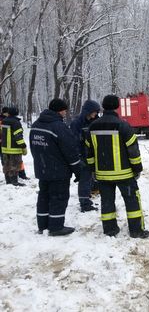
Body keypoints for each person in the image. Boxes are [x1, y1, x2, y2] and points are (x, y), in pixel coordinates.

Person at [85, 95, 149, 238]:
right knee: (132, 202)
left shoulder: (92, 127)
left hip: (102, 175)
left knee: (107, 202)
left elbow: (89, 152)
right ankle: (136, 231)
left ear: (103, 106)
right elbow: (133, 150)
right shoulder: (123, 125)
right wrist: (137, 168)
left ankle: (109, 229)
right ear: (117, 106)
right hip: (124, 174)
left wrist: (92, 170)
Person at [30, 98, 82, 236]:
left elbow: (33, 147)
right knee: (58, 198)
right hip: (58, 171)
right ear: (60, 110)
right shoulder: (59, 127)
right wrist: (78, 171)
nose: (65, 113)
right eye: (65, 110)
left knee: (44, 197)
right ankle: (56, 227)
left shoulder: (36, 125)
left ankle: (43, 225)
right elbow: (70, 151)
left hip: (42, 169)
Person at [70, 100, 101, 212]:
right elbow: (74, 141)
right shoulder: (77, 123)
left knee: (93, 177)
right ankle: (84, 203)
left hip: (94, 154)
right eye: (94, 112)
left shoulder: (95, 121)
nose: (95, 114)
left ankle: (92, 191)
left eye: (97, 112)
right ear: (88, 111)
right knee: (85, 178)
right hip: (83, 155)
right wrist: (78, 156)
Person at [1, 106, 27, 186]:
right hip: (14, 149)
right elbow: (18, 137)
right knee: (15, 165)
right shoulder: (16, 122)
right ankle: (14, 182)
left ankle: (8, 181)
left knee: (7, 165)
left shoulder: (4, 121)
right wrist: (23, 146)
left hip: (4, 148)